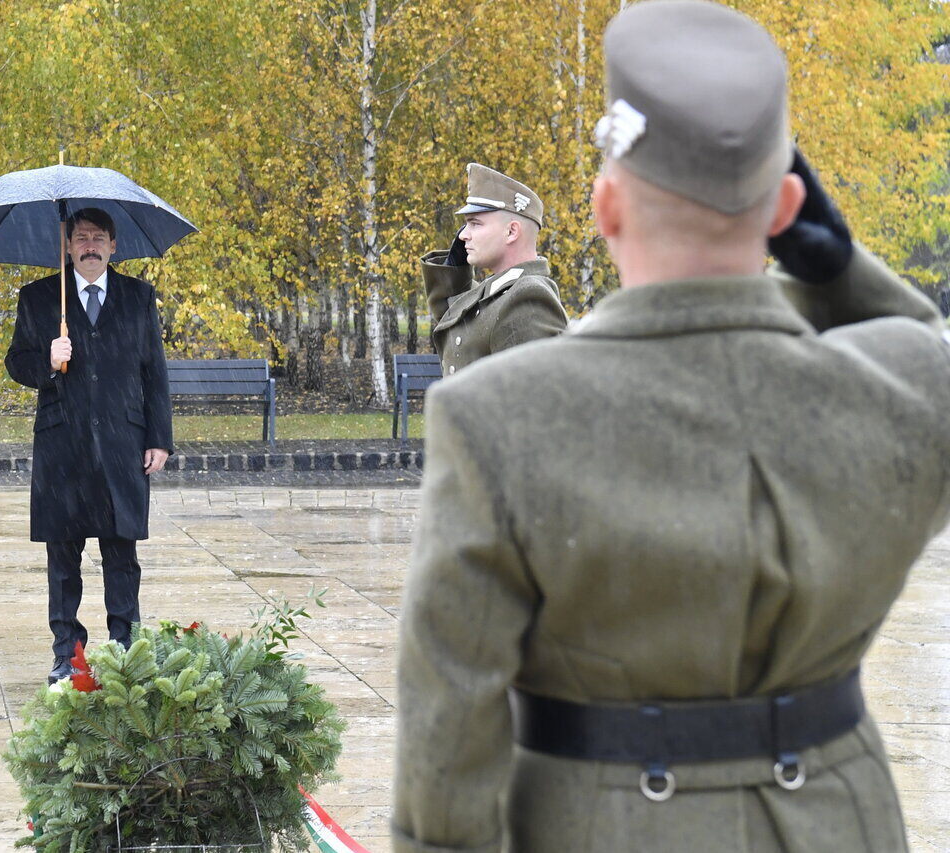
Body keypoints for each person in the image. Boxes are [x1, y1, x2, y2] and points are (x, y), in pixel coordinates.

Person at [392, 2, 950, 851]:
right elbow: (921, 349)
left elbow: (451, 732)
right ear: (786, 206)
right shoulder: (903, 390)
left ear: (606, 204)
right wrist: (838, 269)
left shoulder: (493, 420)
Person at [5, 207, 173, 684]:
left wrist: (160, 438)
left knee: (122, 556)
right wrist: (48, 360)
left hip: (124, 444)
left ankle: (125, 651)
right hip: (64, 447)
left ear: (114, 245)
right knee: (64, 561)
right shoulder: (39, 299)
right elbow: (15, 362)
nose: (91, 245)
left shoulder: (138, 298)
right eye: (81, 237)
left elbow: (154, 372)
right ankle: (68, 655)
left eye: (99, 237)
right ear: (68, 245)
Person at [420, 163, 568, 375]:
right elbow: (452, 314)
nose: (463, 235)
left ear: (511, 232)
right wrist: (454, 267)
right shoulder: (500, 292)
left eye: (475, 223)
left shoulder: (527, 297)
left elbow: (531, 401)